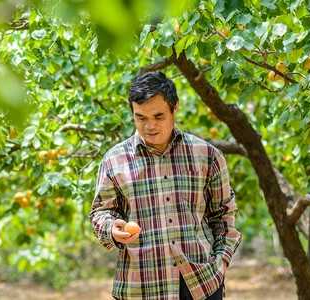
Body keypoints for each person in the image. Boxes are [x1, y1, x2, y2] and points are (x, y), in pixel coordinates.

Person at [89, 71, 242, 300]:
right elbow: (101, 212)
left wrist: (221, 263)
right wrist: (111, 228)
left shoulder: (207, 156)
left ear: (175, 108)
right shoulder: (114, 160)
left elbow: (224, 215)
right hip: (140, 286)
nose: (150, 126)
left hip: (200, 285)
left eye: (158, 116)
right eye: (140, 117)